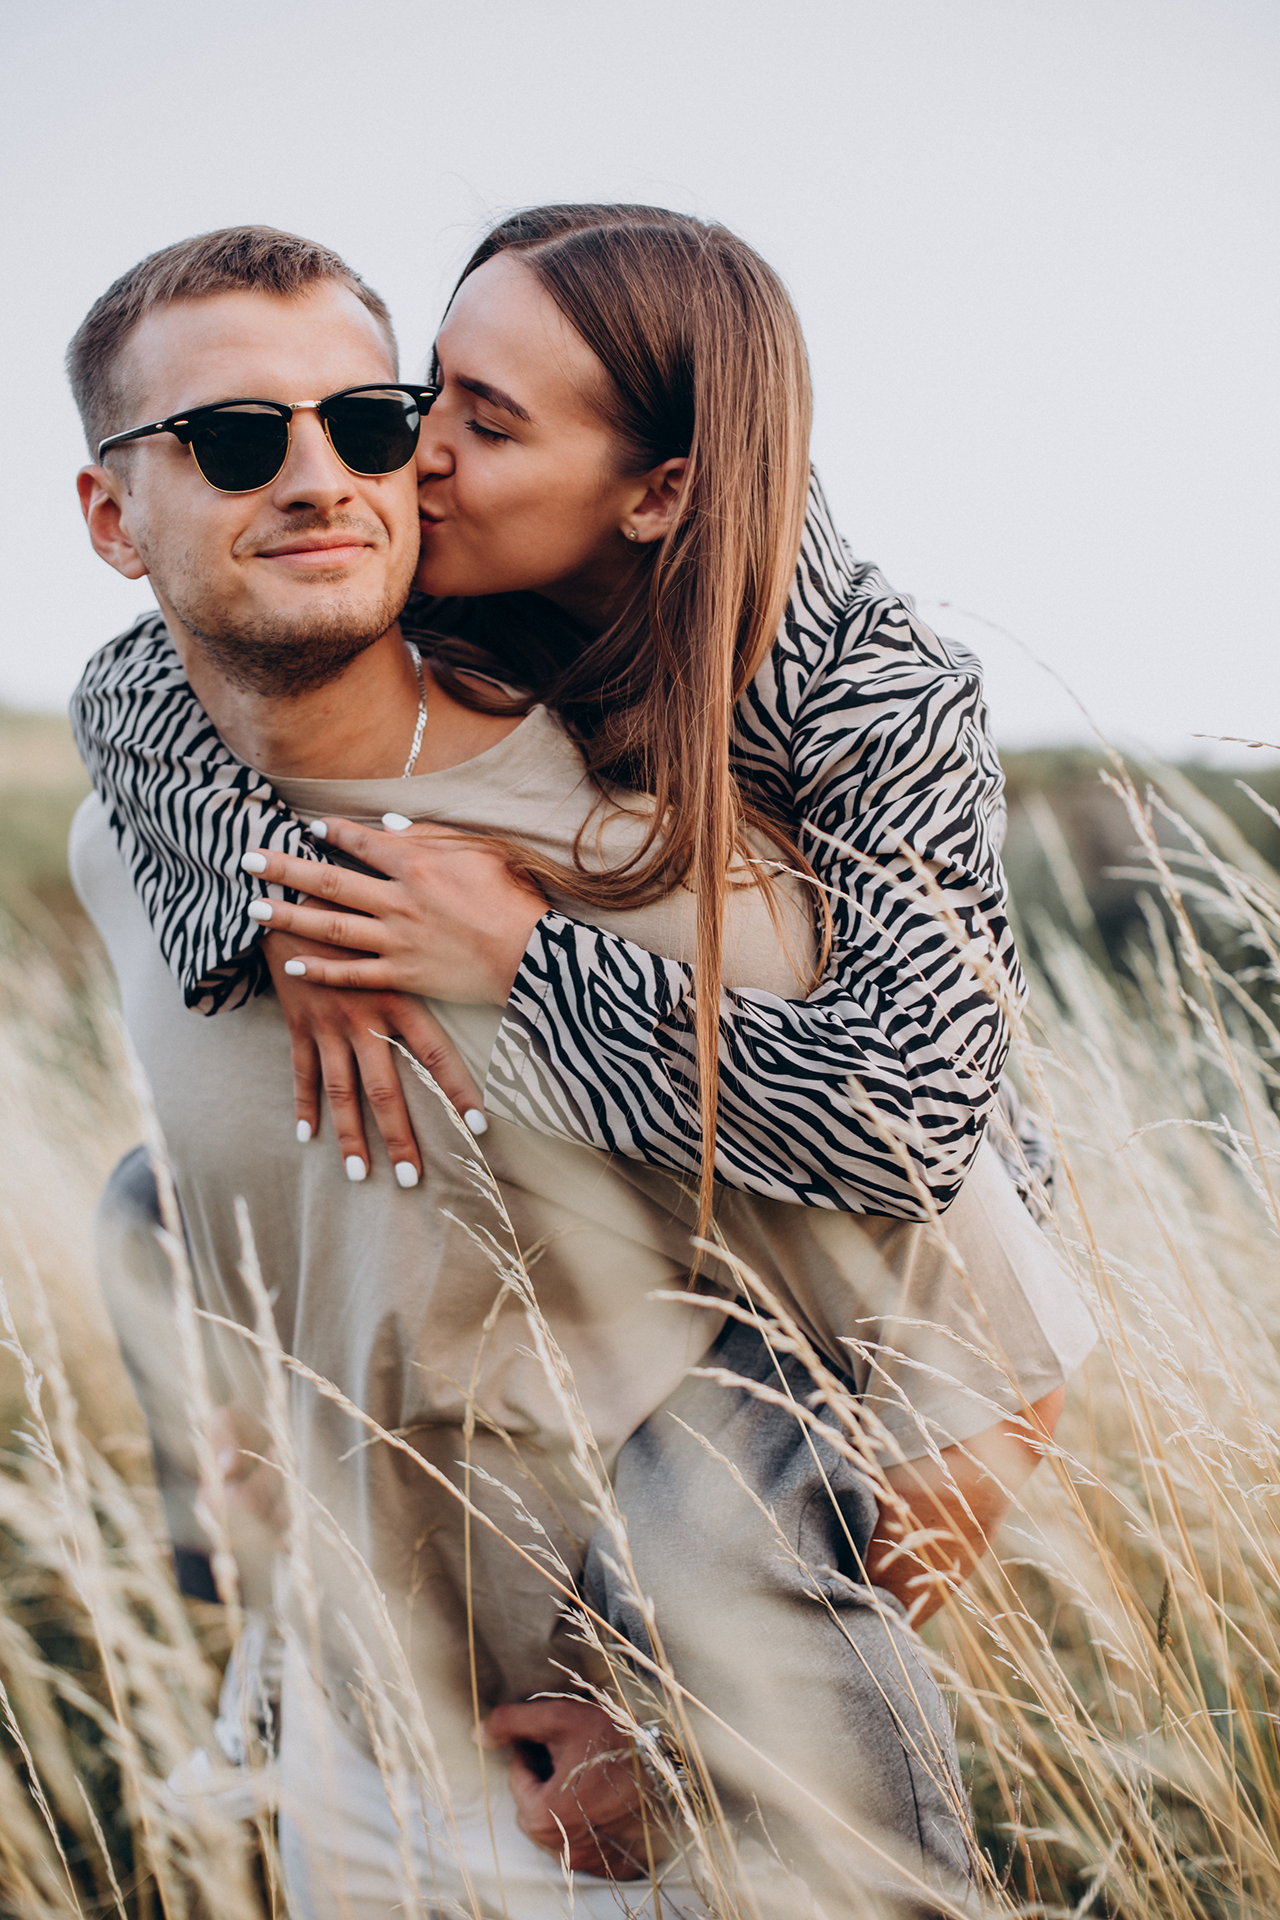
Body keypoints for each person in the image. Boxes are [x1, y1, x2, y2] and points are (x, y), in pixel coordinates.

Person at [69, 220, 1093, 1917]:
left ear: (657, 495)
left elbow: (980, 1306)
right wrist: (270, 875)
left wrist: (676, 1725)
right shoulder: (148, 829)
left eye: (391, 425)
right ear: (111, 517)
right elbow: (168, 673)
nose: (360, 473)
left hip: (601, 1804)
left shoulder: (713, 835)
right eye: (241, 441)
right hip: (360, 1754)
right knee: (143, 1206)